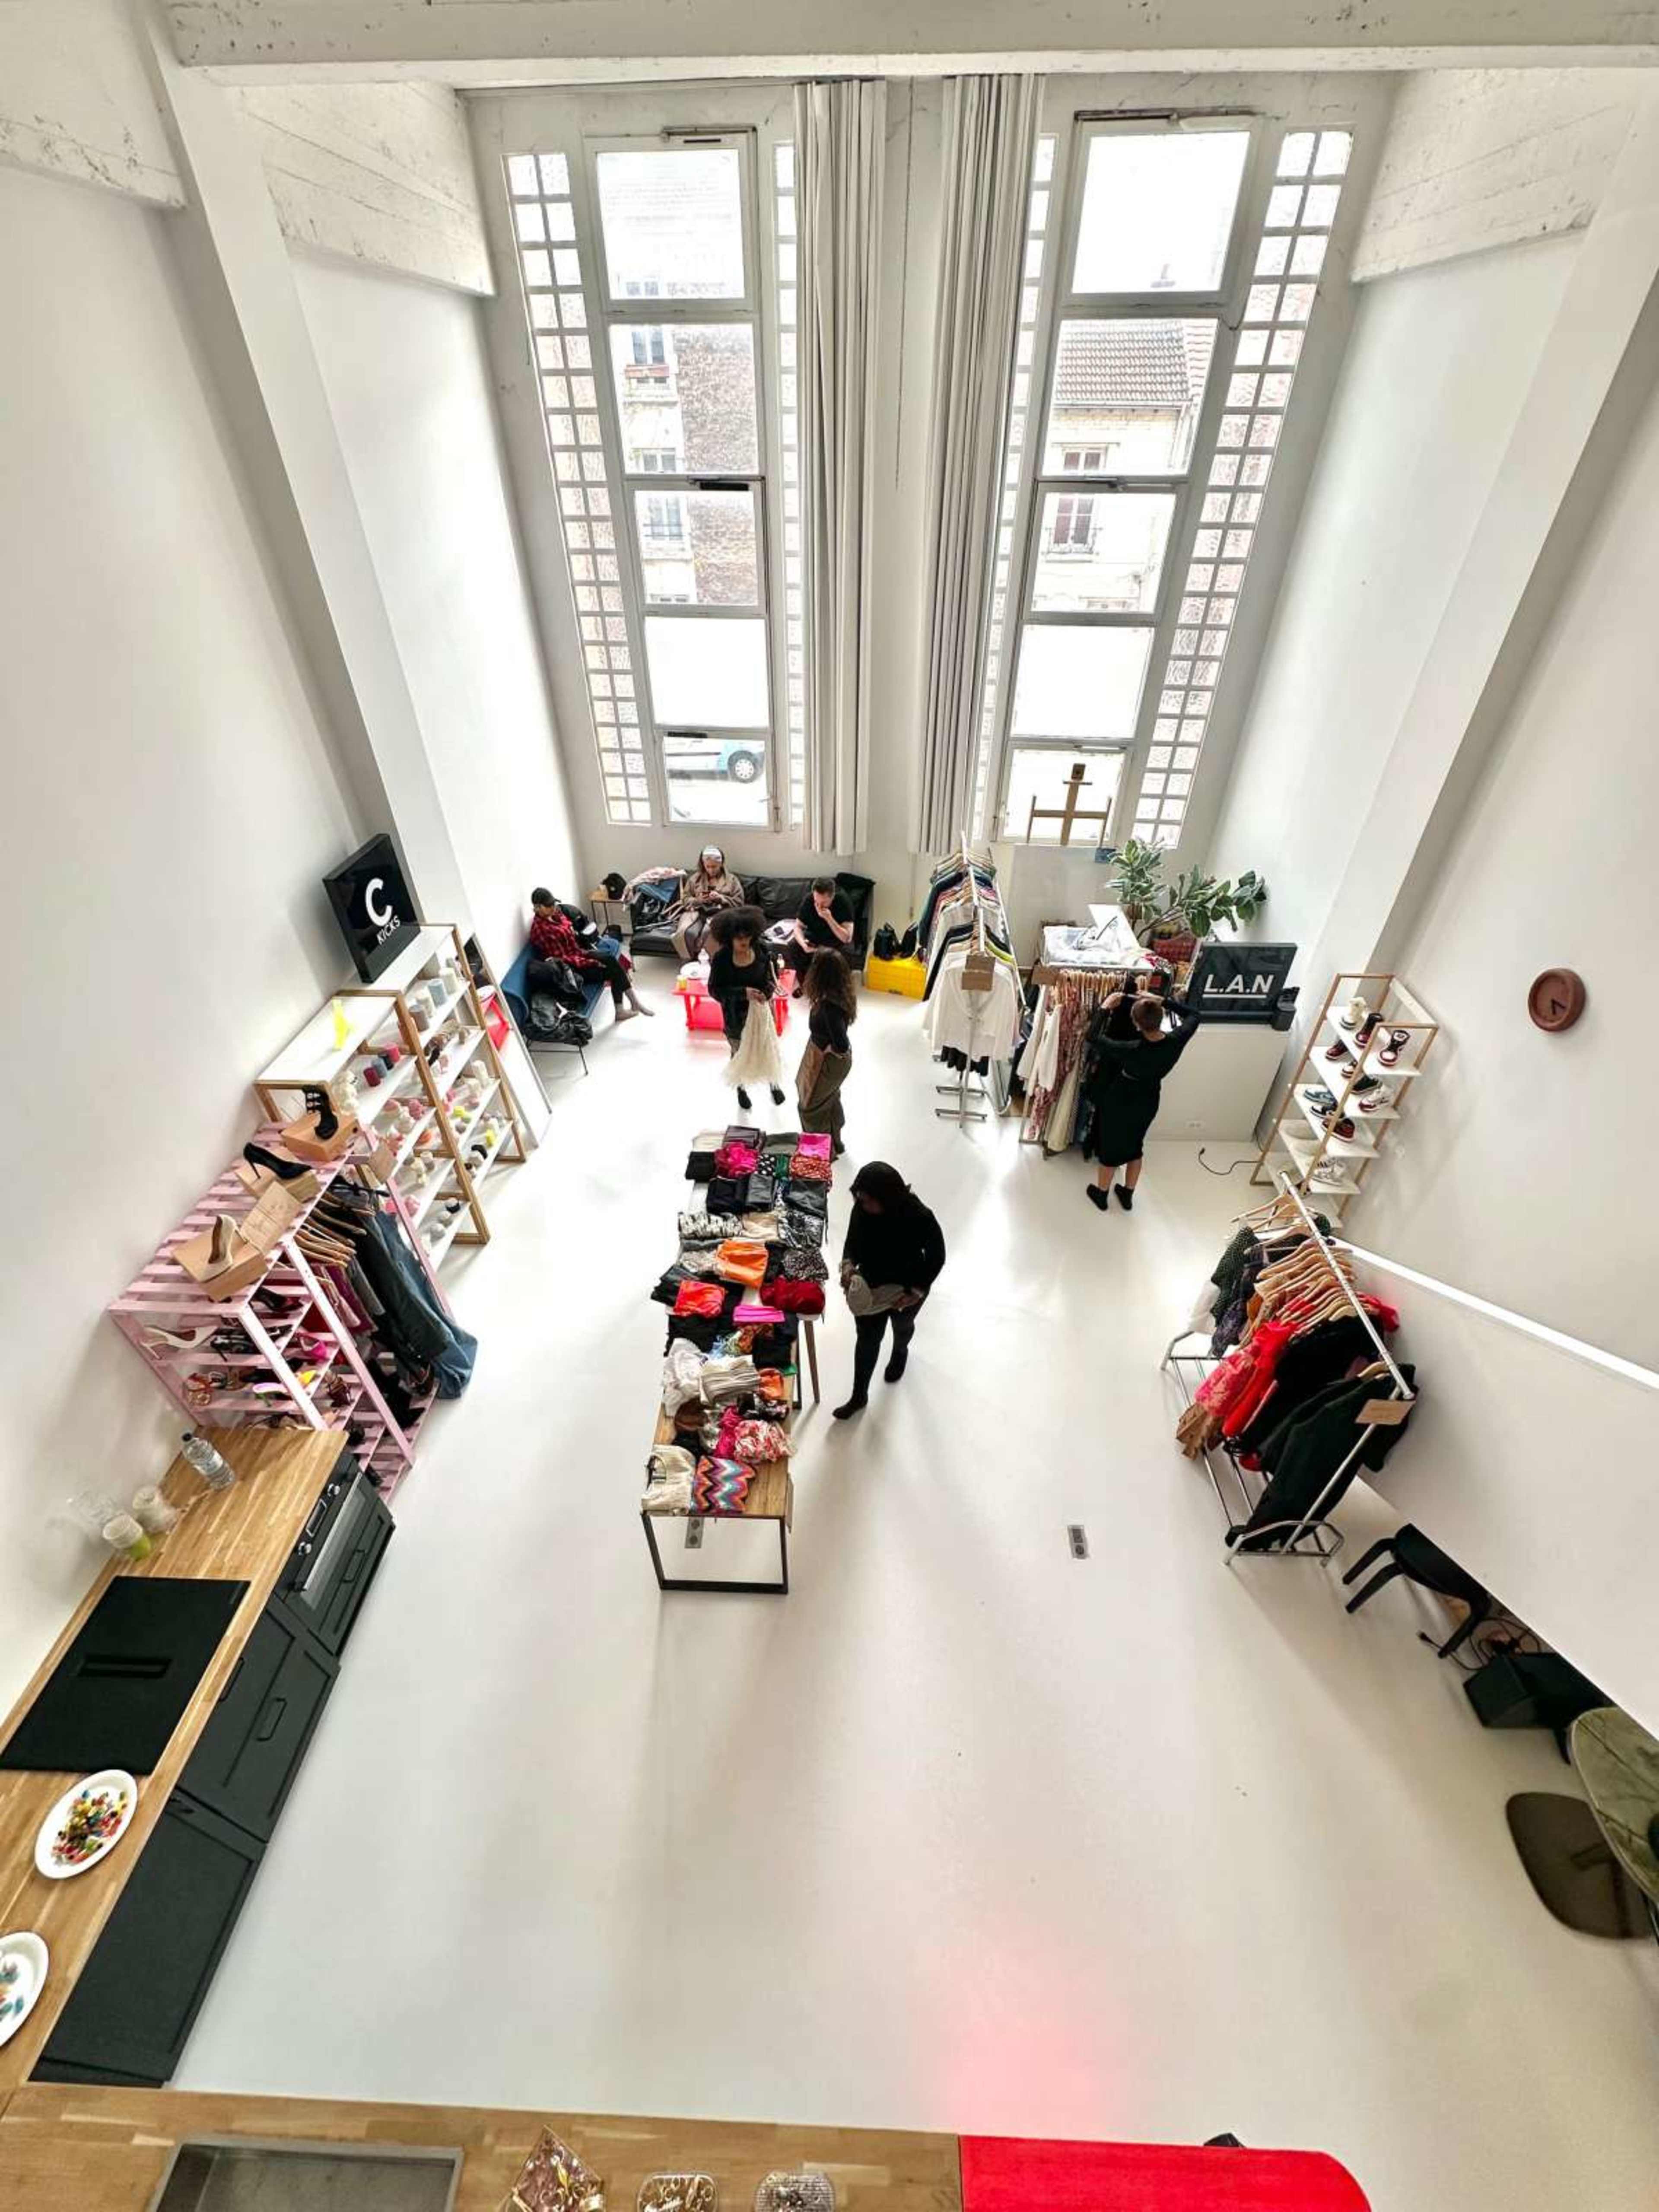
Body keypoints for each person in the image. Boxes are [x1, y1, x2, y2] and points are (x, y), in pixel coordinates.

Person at [833, 1162, 946, 1419]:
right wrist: (848, 1268)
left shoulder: (920, 1216)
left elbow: (937, 1256)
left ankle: (900, 1351)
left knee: (903, 1325)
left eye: (870, 1201)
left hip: (907, 1287)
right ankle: (859, 1396)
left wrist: (916, 1291)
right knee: (867, 1341)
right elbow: (852, 1242)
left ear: (889, 1198)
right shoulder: (862, 1209)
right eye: (860, 1199)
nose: (864, 1205)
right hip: (872, 1285)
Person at [1081, 986, 1201, 1212]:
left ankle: (1102, 1194)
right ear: (1161, 1017)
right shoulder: (1176, 1041)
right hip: (1149, 1099)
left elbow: (1093, 1037)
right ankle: (1127, 1193)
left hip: (1121, 1098)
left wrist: (1106, 1007)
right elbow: (1195, 1015)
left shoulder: (1131, 1049)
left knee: (1110, 1147)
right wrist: (1163, 1000)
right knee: (1136, 1146)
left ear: (1136, 1025)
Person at [528, 889, 652, 1022]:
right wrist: (590, 962)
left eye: (553, 904)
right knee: (613, 970)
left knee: (610, 960)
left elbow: (571, 935)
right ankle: (627, 1007)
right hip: (571, 969)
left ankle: (631, 1005)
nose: (554, 908)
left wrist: (587, 954)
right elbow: (562, 959)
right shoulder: (541, 930)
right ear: (538, 907)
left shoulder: (556, 914)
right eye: (549, 906)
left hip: (578, 953)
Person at [706, 906, 785, 1112]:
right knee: (739, 1053)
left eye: (748, 936)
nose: (744, 942)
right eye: (738, 937)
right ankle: (740, 1088)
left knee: (768, 1048)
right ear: (729, 937)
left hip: (762, 1013)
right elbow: (715, 991)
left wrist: (765, 993)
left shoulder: (762, 951)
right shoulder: (722, 959)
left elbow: (772, 979)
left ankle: (773, 1083)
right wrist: (743, 993)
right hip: (735, 1018)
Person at [796, 948, 855, 1156]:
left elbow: (840, 1043)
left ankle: (820, 1154)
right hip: (831, 1059)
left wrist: (829, 1050)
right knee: (828, 1100)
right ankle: (834, 1144)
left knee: (810, 1107)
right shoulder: (839, 996)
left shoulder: (828, 1007)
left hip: (829, 1060)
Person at [783, 875, 855, 995]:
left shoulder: (843, 901)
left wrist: (829, 918)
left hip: (834, 939)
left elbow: (847, 938)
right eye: (817, 901)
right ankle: (807, 986)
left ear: (832, 897)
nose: (819, 906)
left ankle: (827, 990)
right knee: (794, 946)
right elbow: (798, 927)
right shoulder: (810, 900)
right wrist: (803, 944)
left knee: (834, 957)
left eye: (824, 903)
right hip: (814, 937)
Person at [670, 845, 744, 960]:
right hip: (697, 913)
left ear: (721, 864)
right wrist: (698, 900)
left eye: (715, 867)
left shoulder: (732, 880)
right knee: (687, 933)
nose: (711, 870)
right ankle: (690, 961)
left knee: (708, 933)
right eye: (708, 867)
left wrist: (721, 898)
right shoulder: (695, 879)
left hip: (721, 914)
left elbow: (740, 903)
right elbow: (685, 900)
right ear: (703, 865)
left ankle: (712, 963)